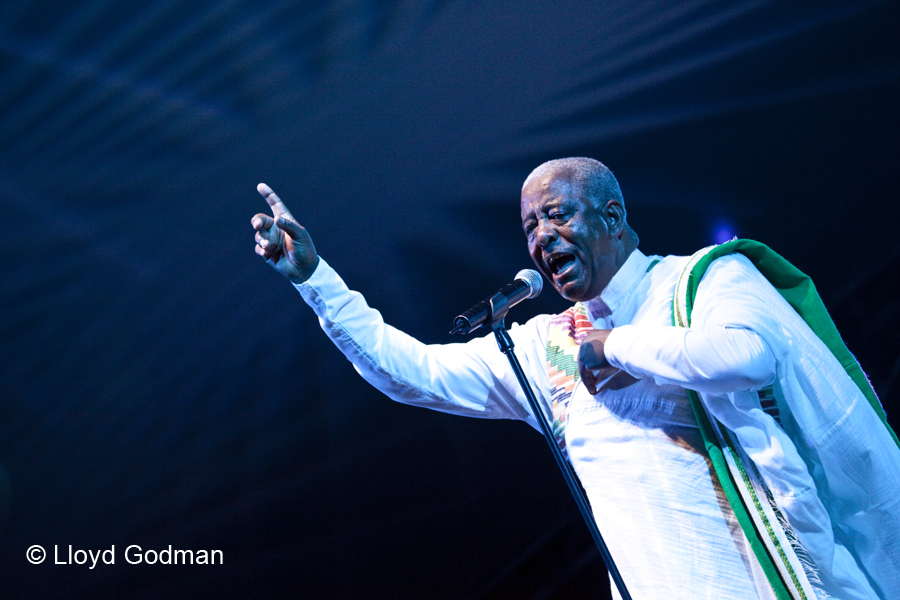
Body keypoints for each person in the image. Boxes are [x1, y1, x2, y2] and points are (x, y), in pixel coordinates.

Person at [251, 158, 899, 599]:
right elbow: (410, 372)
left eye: (557, 215)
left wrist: (615, 346)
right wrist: (316, 282)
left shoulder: (703, 280)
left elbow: (743, 356)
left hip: (768, 581)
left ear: (611, 217)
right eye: (530, 226)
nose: (540, 236)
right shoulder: (545, 348)